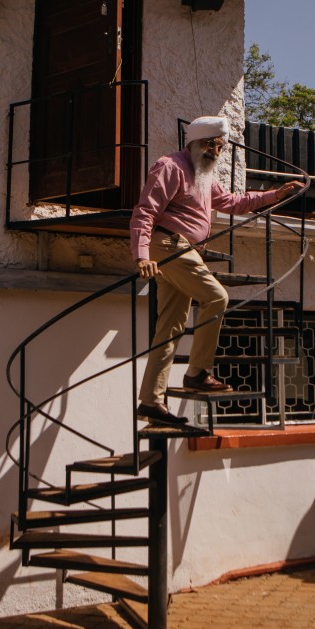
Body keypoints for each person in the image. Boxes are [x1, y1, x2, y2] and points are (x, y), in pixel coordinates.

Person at [129, 116, 302, 425]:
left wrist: (274, 195)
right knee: (217, 297)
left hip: (184, 250)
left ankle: (150, 402)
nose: (216, 152)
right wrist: (141, 254)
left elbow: (233, 202)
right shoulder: (170, 166)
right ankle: (197, 373)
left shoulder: (204, 175)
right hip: (169, 244)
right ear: (194, 142)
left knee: (169, 328)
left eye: (220, 147)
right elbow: (145, 210)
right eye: (211, 144)